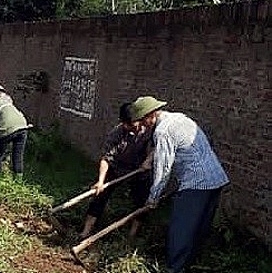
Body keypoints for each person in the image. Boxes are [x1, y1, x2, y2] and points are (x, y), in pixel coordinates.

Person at [130, 96, 229, 273]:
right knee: (200, 228)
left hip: (196, 184)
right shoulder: (179, 118)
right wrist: (149, 161)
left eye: (142, 121)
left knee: (181, 231)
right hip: (216, 177)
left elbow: (164, 168)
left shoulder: (163, 131)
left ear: (150, 115)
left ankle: (175, 268)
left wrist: (153, 198)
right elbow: (170, 147)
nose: (142, 126)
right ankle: (189, 264)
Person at [79, 103, 153, 239]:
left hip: (138, 169)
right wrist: (100, 181)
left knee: (141, 200)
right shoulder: (117, 134)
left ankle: (132, 235)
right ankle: (86, 231)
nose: (133, 129)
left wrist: (148, 160)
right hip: (117, 167)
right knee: (99, 197)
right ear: (123, 123)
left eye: (135, 125)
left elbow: (156, 147)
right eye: (129, 125)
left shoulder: (148, 130)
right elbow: (106, 159)